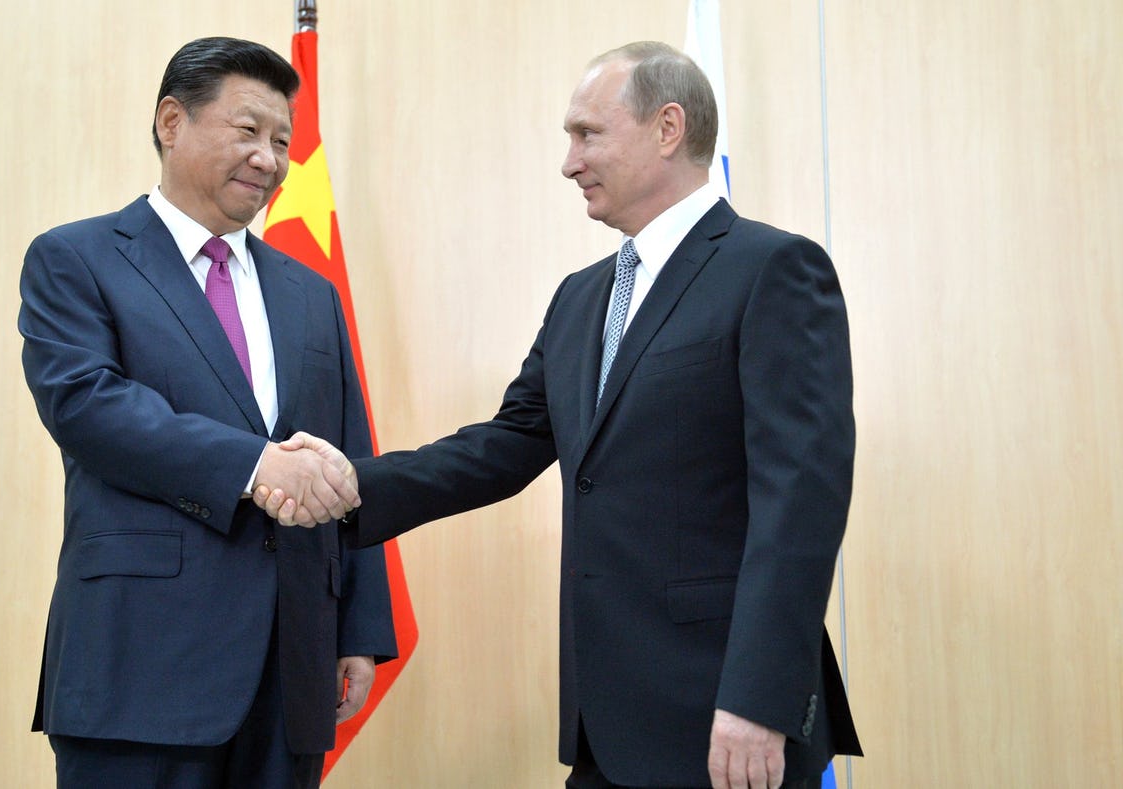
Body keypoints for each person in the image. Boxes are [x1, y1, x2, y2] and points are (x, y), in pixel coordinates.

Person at [260, 41, 862, 789]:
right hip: (606, 727)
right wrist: (350, 487)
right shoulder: (582, 296)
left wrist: (759, 698)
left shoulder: (773, 271)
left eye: (587, 134)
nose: (569, 162)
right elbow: (507, 446)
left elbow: (799, 504)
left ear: (668, 128)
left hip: (727, 720)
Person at [18, 36, 396, 789]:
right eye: (248, 130)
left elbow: (349, 462)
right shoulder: (77, 258)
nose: (269, 158)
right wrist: (253, 466)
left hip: (291, 669)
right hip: (141, 666)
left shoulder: (310, 293)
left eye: (283, 141)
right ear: (170, 121)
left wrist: (357, 627)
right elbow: (88, 405)